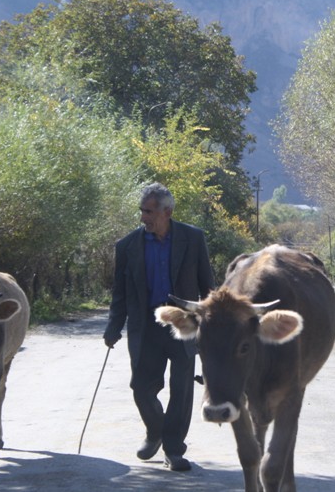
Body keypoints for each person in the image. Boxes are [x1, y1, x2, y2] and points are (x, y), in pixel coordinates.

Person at [103, 182, 215, 472]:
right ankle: (156, 430)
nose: (143, 217)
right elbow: (120, 293)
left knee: (182, 390)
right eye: (142, 211)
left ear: (167, 211)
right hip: (146, 327)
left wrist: (211, 327)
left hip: (184, 326)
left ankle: (174, 449)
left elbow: (208, 287)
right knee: (141, 388)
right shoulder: (127, 246)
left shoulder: (193, 238)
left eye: (149, 211)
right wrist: (113, 327)